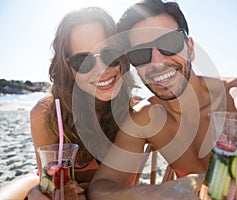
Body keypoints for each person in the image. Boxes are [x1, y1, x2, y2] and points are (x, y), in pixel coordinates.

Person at [87, 0, 237, 200]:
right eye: (140, 54)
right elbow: (100, 188)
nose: (158, 62)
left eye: (168, 43)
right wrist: (163, 191)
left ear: (190, 47)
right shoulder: (146, 119)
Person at [0, 7, 135, 200]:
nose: (101, 69)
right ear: (67, 68)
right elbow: (48, 184)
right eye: (82, 61)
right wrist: (46, 191)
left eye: (109, 54)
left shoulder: (136, 114)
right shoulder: (46, 114)